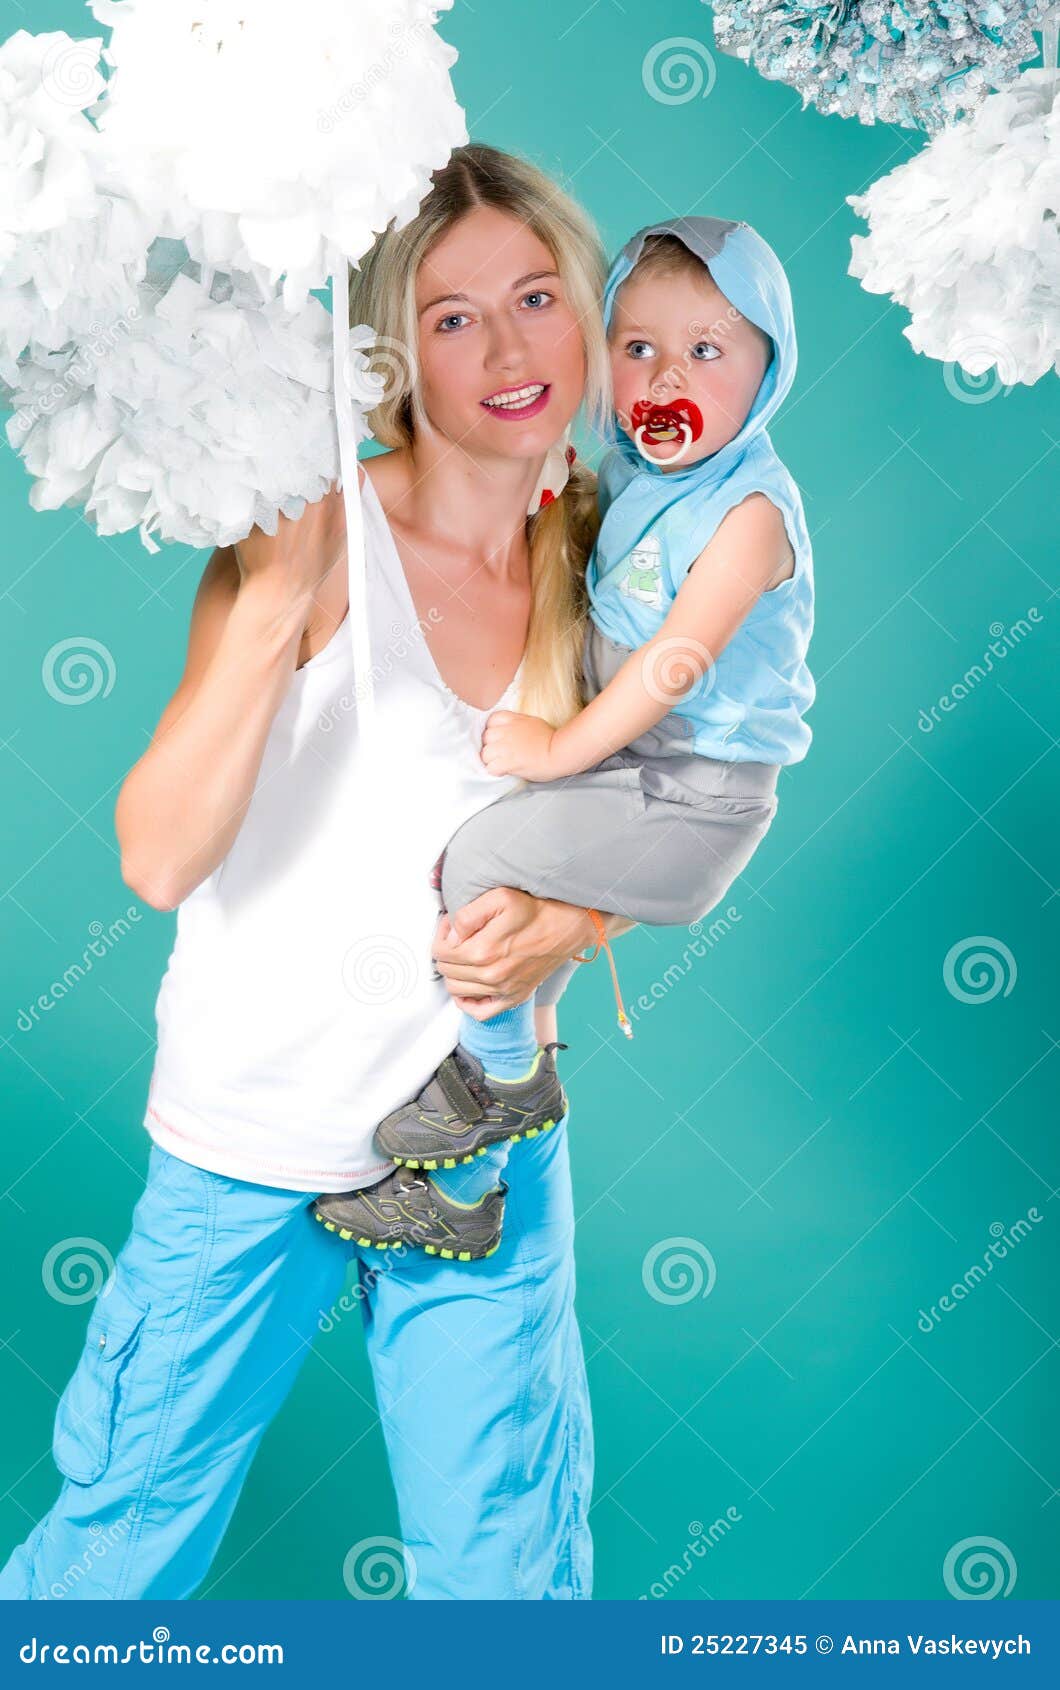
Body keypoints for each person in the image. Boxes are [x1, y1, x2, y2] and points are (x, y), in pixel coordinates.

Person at [0, 143, 623, 1602]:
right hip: (253, 1147)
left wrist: (573, 918)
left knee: (511, 1581)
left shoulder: (608, 554)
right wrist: (279, 597)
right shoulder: (311, 528)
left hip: (483, 1153)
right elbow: (158, 854)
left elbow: (665, 814)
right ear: (395, 350)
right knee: (114, 1554)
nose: (512, 347)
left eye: (537, 295)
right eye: (456, 316)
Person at [314, 216, 815, 1259]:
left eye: (706, 352)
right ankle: (463, 1192)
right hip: (642, 777)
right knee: (516, 936)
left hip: (695, 796)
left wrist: (556, 751)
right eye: (637, 348)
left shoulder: (749, 513)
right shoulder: (639, 470)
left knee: (483, 856)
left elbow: (674, 660)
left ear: (768, 369)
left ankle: (510, 1083)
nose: (663, 376)